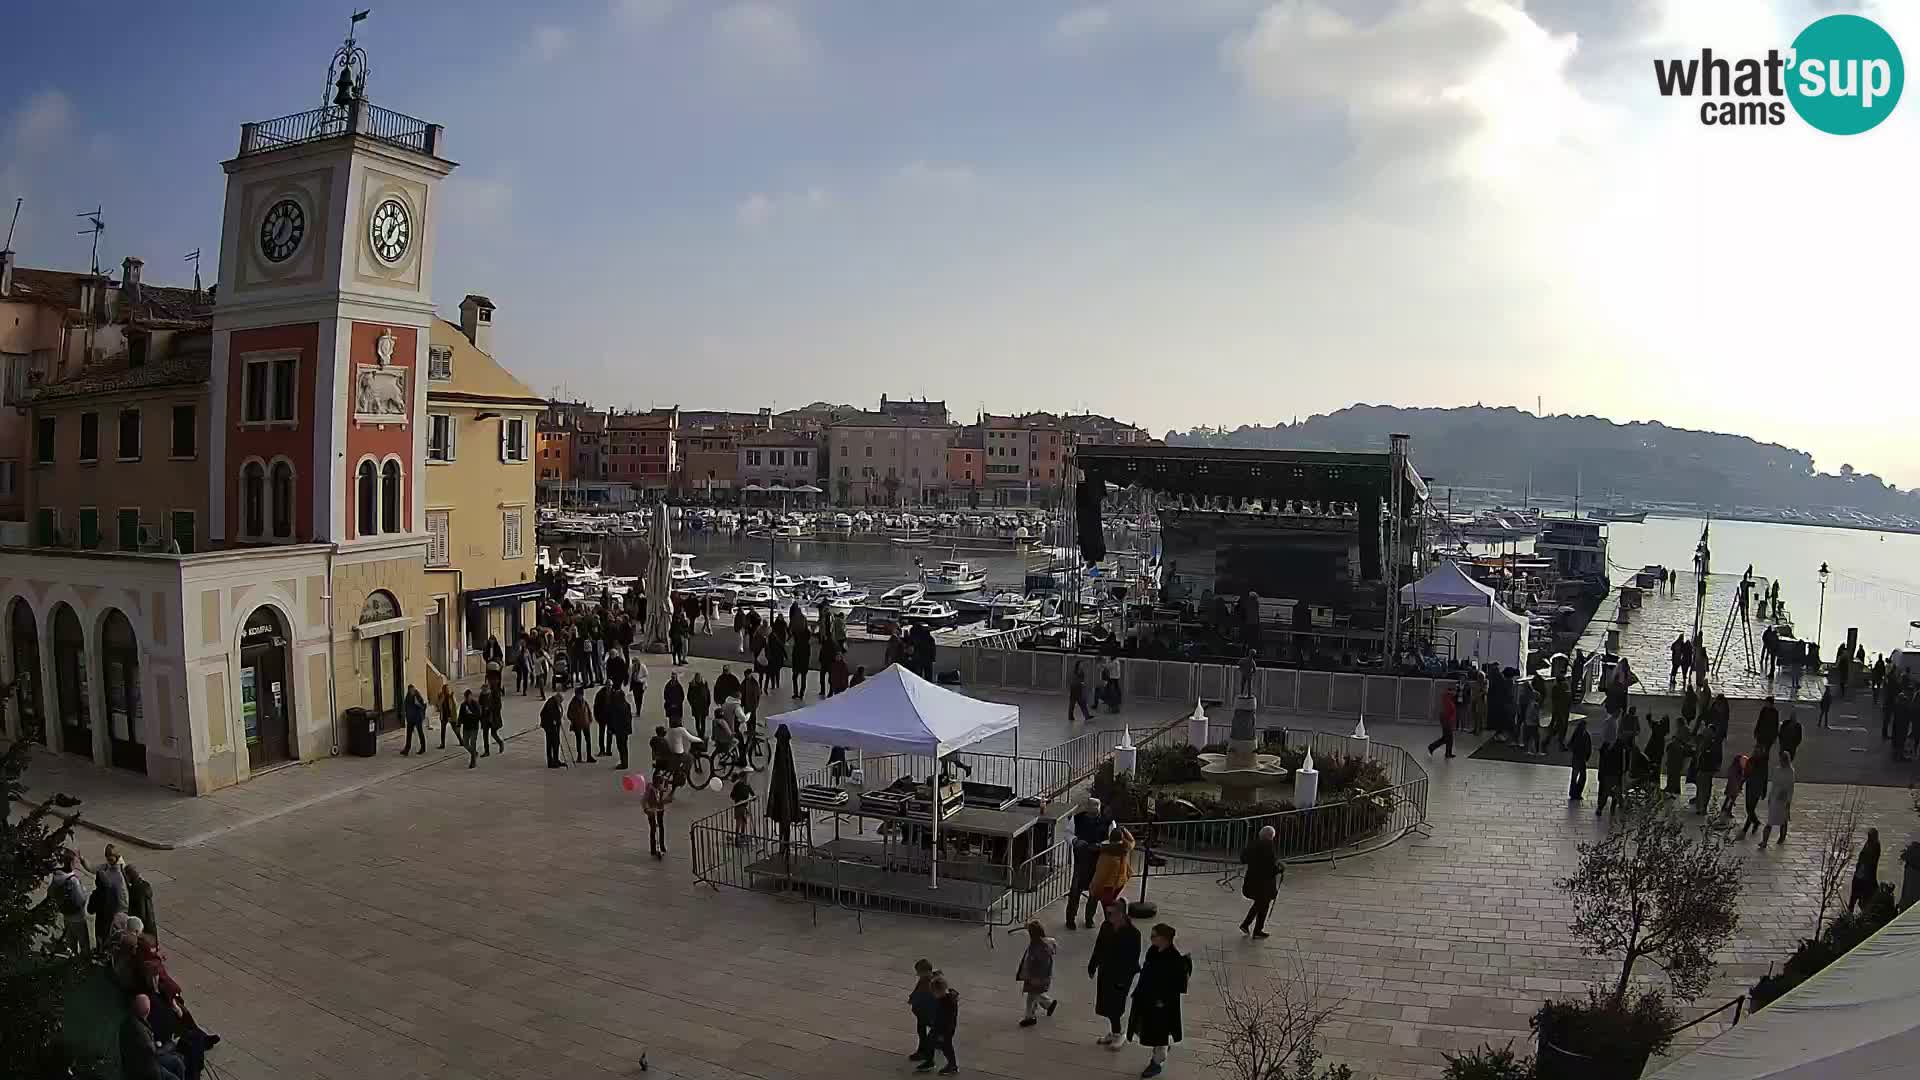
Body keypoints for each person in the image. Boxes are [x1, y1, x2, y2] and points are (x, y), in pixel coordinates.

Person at [1128, 923, 1191, 1079]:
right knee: (1150, 1031)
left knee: (1159, 1035)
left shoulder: (1174, 960)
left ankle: (1157, 1062)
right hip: (1147, 999)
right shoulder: (1153, 951)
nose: (1151, 939)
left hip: (1161, 1005)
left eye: (1154, 936)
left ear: (1164, 939)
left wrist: (1161, 1001)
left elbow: (1173, 987)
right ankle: (1159, 1051)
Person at [1088, 902, 1142, 1048]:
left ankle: (1118, 1033)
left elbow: (1133, 959)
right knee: (1106, 1003)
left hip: (1121, 975)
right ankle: (1114, 1032)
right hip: (1106, 971)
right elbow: (1099, 946)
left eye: (1111, 913)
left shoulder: (1133, 934)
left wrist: (1123, 980)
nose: (1108, 916)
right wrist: (1093, 964)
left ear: (1121, 914)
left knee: (1116, 1005)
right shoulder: (1106, 926)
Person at [1065, 798, 1114, 929]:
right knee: (1075, 890)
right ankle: (1070, 919)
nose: (1094, 810)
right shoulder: (1077, 819)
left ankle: (1089, 918)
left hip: (1099, 861)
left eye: (1096, 808)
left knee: (1095, 892)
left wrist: (1101, 845)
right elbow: (1068, 834)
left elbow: (1113, 839)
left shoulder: (1108, 822)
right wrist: (1075, 841)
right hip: (1081, 860)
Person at [123, 994, 188, 1080]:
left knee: (178, 1062)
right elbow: (155, 1053)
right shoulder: (141, 1032)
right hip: (147, 1068)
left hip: (144, 1061)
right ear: (148, 1010)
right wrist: (171, 1044)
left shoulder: (129, 1022)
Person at [1238, 825, 1281, 938]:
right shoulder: (1268, 847)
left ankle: (1248, 925)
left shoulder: (1252, 844)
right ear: (1270, 836)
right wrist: (1280, 869)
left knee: (1260, 903)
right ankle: (1256, 929)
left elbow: (1243, 859)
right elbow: (1270, 869)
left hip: (1251, 881)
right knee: (1263, 904)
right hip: (1264, 884)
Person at [1015, 921, 1059, 1027]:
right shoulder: (1043, 944)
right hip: (1037, 977)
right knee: (1034, 995)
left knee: (1032, 996)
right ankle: (1047, 1005)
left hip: (1036, 977)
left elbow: (1039, 964)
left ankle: (1030, 1016)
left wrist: (1034, 977)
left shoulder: (1039, 948)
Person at [917, 974, 959, 1075]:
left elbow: (947, 1019)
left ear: (939, 991)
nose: (933, 995)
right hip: (938, 1027)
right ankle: (930, 1061)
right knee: (930, 1042)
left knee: (946, 1047)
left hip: (944, 1030)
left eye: (934, 993)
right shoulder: (945, 999)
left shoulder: (947, 1003)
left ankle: (952, 1065)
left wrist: (942, 1034)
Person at [50, 850, 90, 952]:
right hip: (78, 916)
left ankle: (72, 959)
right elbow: (81, 899)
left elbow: (51, 892)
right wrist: (85, 892)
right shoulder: (73, 880)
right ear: (72, 863)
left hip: (65, 914)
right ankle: (84, 963)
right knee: (83, 942)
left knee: (70, 940)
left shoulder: (57, 876)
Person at [1089, 825, 1136, 910]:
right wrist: (1124, 829)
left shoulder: (1105, 854)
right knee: (1110, 905)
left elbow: (1101, 874)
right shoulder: (1125, 849)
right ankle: (1112, 919)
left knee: (1107, 907)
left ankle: (1109, 921)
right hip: (1120, 882)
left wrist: (1094, 889)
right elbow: (1132, 841)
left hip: (1108, 886)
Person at [92, 844, 128, 948]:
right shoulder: (108, 866)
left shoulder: (119, 873)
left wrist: (122, 910)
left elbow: (123, 894)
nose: (108, 860)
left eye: (110, 857)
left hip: (115, 911)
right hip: (111, 912)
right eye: (107, 857)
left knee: (109, 935)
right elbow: (93, 868)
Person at [908, 959, 940, 1065]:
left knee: (923, 1033)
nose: (917, 975)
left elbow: (925, 997)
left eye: (919, 972)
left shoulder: (929, 983)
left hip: (926, 1013)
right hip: (924, 1013)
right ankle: (936, 1043)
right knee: (925, 1031)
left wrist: (913, 999)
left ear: (925, 971)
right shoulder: (925, 979)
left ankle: (923, 1053)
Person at [1760, 749, 1794, 848]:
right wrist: (1770, 797)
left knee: (1783, 820)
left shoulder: (1790, 771)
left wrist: (1788, 801)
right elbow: (1774, 785)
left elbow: (1790, 788)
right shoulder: (1777, 769)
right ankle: (1764, 841)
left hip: (1783, 799)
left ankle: (1781, 838)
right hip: (1775, 798)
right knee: (1770, 821)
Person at [1741, 742, 1770, 837]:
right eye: (1756, 749)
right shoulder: (1751, 760)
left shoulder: (1764, 762)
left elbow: (1765, 777)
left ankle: (1745, 829)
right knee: (1748, 807)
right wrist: (1741, 783)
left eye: (1759, 749)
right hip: (1750, 785)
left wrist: (1764, 790)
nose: (1757, 751)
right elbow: (1746, 772)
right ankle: (1756, 822)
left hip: (1757, 787)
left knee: (1751, 808)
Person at [1693, 722, 1723, 816]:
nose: (1707, 732)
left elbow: (1717, 756)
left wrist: (1716, 767)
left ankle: (1702, 808)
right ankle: (1700, 807)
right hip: (1702, 768)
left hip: (1707, 768)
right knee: (1701, 788)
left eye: (1708, 731)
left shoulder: (1714, 742)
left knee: (1705, 789)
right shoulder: (1705, 740)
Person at [643, 767, 672, 858]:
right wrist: (647, 809)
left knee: (661, 826)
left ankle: (662, 846)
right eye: (659, 781)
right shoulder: (650, 788)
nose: (661, 784)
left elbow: (668, 797)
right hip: (651, 810)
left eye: (661, 781)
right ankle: (653, 848)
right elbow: (645, 799)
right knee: (653, 829)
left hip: (660, 809)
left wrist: (665, 798)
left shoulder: (663, 788)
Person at [1850, 828, 1882, 913]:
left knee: (1864, 899)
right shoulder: (1869, 845)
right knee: (1854, 899)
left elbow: (1870, 861)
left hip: (1866, 877)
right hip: (1861, 875)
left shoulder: (1875, 847)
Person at [1595, 737, 1626, 817]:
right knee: (1616, 792)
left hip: (1608, 774)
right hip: (1614, 774)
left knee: (1606, 792)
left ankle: (1600, 808)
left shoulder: (1606, 751)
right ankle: (1619, 806)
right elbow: (1620, 764)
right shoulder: (1619, 751)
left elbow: (1602, 764)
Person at [126, 864, 157, 940]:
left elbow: (141, 910)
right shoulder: (145, 885)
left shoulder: (135, 890)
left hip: (142, 926)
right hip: (150, 922)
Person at [1427, 683, 1457, 758]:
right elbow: (1447, 713)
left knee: (1445, 738)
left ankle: (1435, 748)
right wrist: (1449, 723)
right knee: (1449, 739)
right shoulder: (1448, 700)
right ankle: (1435, 748)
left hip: (1446, 721)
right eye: (1454, 691)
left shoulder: (1447, 698)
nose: (1455, 693)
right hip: (1447, 722)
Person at [608, 685, 634, 770]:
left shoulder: (617, 707)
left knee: (621, 746)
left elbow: (614, 719)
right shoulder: (626, 705)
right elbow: (629, 718)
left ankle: (624, 763)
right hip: (625, 730)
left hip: (620, 730)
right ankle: (624, 762)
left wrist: (612, 729)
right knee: (624, 746)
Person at [399, 684, 428, 756]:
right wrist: (404, 714)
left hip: (417, 718)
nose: (412, 691)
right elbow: (406, 706)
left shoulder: (417, 696)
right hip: (410, 718)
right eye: (410, 690)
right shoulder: (408, 697)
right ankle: (407, 749)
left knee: (420, 732)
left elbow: (423, 706)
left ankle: (423, 748)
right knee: (408, 734)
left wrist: (417, 703)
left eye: (413, 690)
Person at [567, 686, 593, 763]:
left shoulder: (584, 701)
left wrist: (590, 719)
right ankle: (579, 756)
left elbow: (588, 711)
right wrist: (574, 719)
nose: (580, 696)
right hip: (577, 724)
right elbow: (569, 714)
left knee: (588, 740)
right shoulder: (573, 703)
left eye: (581, 694)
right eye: (579, 694)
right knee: (579, 741)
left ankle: (589, 756)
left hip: (585, 724)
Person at [539, 692, 566, 768]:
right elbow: (547, 714)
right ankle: (551, 762)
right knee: (550, 744)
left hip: (555, 727)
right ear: (557, 698)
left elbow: (557, 713)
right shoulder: (551, 703)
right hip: (550, 727)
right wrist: (553, 721)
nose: (560, 703)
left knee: (556, 743)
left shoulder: (555, 702)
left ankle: (556, 760)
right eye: (560, 701)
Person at [1567, 718, 1591, 801]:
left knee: (1577, 776)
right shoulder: (1583, 734)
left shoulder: (1579, 734)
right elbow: (1588, 747)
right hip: (1579, 758)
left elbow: (1570, 745)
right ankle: (1576, 793)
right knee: (1581, 776)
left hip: (1578, 758)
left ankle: (1574, 793)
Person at [728, 770, 754, 845]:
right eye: (746, 777)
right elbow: (732, 796)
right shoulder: (740, 785)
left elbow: (732, 796)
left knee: (742, 822)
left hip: (741, 806)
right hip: (740, 806)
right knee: (741, 822)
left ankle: (739, 838)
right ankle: (739, 838)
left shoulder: (743, 785)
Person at [459, 690, 483, 767]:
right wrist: (458, 723)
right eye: (465, 697)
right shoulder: (463, 705)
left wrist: (470, 714)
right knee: (465, 743)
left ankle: (473, 762)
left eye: (468, 696)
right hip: (466, 727)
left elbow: (478, 715)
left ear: (471, 696)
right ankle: (474, 753)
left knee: (473, 744)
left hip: (474, 727)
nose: (466, 698)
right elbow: (460, 715)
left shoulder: (475, 704)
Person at [687, 671, 711, 741]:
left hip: (704, 706)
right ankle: (699, 733)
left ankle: (702, 735)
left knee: (703, 721)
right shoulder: (692, 685)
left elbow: (708, 694)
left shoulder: (704, 683)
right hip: (696, 706)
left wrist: (708, 704)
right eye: (697, 678)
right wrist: (692, 704)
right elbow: (689, 696)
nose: (698, 679)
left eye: (699, 677)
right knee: (697, 721)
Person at [436, 683, 456, 749]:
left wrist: (452, 697)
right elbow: (438, 706)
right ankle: (442, 744)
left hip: (450, 715)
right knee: (443, 730)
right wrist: (442, 698)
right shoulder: (441, 696)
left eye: (448, 689)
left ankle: (461, 741)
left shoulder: (450, 696)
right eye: (446, 689)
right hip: (444, 715)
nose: (447, 690)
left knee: (455, 729)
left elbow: (454, 705)